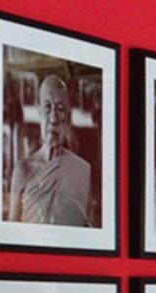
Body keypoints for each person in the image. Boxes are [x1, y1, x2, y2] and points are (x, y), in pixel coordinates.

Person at [9, 75, 93, 226]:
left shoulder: (82, 170)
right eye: (47, 107)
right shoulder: (23, 170)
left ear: (68, 118)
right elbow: (10, 233)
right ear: (39, 112)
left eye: (60, 109)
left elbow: (90, 230)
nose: (53, 118)